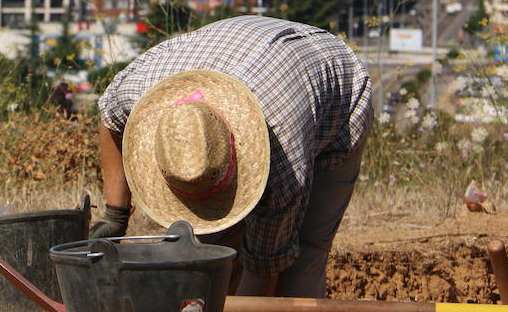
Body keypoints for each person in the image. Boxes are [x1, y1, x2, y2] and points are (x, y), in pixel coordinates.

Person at [91, 15, 373, 298]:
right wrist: (115, 214)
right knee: (210, 255)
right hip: (242, 46)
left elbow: (264, 272)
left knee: (300, 267)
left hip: (336, 89)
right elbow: (110, 120)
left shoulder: (285, 171)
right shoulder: (140, 91)